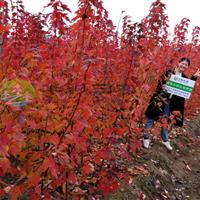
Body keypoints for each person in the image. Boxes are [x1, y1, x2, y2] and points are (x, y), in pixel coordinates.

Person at [143, 57, 200, 150]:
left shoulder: (184, 77)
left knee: (165, 121)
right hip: (161, 99)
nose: (184, 65)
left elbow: (187, 87)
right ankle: (146, 138)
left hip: (171, 102)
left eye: (186, 65)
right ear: (179, 63)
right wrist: (162, 86)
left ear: (187, 67)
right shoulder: (169, 72)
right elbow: (160, 82)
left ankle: (165, 140)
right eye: (183, 63)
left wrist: (194, 77)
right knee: (151, 117)